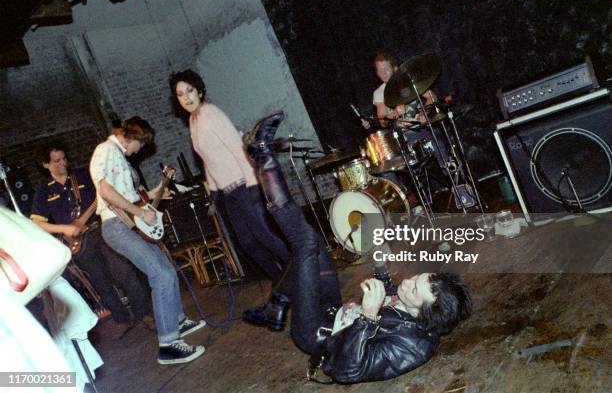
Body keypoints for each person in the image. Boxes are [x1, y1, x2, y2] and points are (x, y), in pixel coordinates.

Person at [245, 110, 473, 384]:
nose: (410, 280)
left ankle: (263, 155)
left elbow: (347, 371)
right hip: (335, 311)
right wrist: (381, 266)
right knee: (315, 242)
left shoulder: (412, 349)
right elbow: (391, 299)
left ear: (423, 313)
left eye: (414, 288)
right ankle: (278, 301)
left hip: (318, 333)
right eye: (418, 277)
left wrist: (368, 316)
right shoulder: (414, 308)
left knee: (303, 242)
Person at [170, 70, 291, 330]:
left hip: (243, 186)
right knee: (248, 244)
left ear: (199, 90)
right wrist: (212, 193)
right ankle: (282, 283)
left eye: (189, 90)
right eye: (180, 94)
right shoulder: (193, 121)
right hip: (227, 192)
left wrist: (252, 185)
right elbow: (207, 161)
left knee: (265, 237)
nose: (186, 97)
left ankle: (305, 276)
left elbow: (238, 147)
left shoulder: (211, 113)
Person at [89, 117, 206, 365]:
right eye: (140, 145)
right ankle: (169, 345)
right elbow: (105, 191)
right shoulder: (107, 150)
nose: (139, 150)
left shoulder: (119, 157)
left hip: (128, 223)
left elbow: (133, 197)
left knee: (166, 271)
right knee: (161, 274)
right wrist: (141, 212)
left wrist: (157, 193)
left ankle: (176, 322)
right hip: (117, 226)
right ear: (132, 138)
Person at [30, 141, 153, 333]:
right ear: (45, 165)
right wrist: (65, 229)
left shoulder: (83, 175)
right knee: (100, 282)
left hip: (101, 229)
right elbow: (36, 223)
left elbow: (106, 193)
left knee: (123, 271)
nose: (62, 163)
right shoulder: (44, 190)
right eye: (56, 161)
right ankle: (122, 319)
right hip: (79, 242)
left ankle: (145, 314)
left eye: (64, 159)